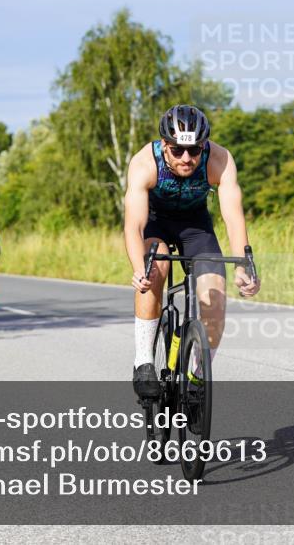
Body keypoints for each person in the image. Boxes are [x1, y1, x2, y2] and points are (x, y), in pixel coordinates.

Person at [124, 104, 260, 398]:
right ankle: (144, 361)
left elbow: (233, 216)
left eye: (195, 150)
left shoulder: (220, 159)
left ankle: (197, 379)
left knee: (215, 294)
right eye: (177, 150)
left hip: (195, 226)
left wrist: (243, 265)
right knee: (154, 268)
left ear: (204, 146)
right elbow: (134, 224)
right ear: (165, 145)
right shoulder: (144, 163)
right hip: (155, 223)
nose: (187, 158)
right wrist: (138, 267)